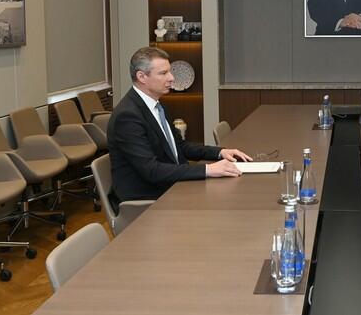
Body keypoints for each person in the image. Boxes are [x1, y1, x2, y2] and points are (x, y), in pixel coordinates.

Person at [107, 47, 252, 207]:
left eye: (169, 72)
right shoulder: (127, 117)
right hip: (147, 201)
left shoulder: (157, 105)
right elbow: (151, 170)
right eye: (163, 73)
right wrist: (208, 170)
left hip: (171, 186)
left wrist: (219, 152)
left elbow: (179, 147)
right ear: (142, 77)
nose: (171, 78)